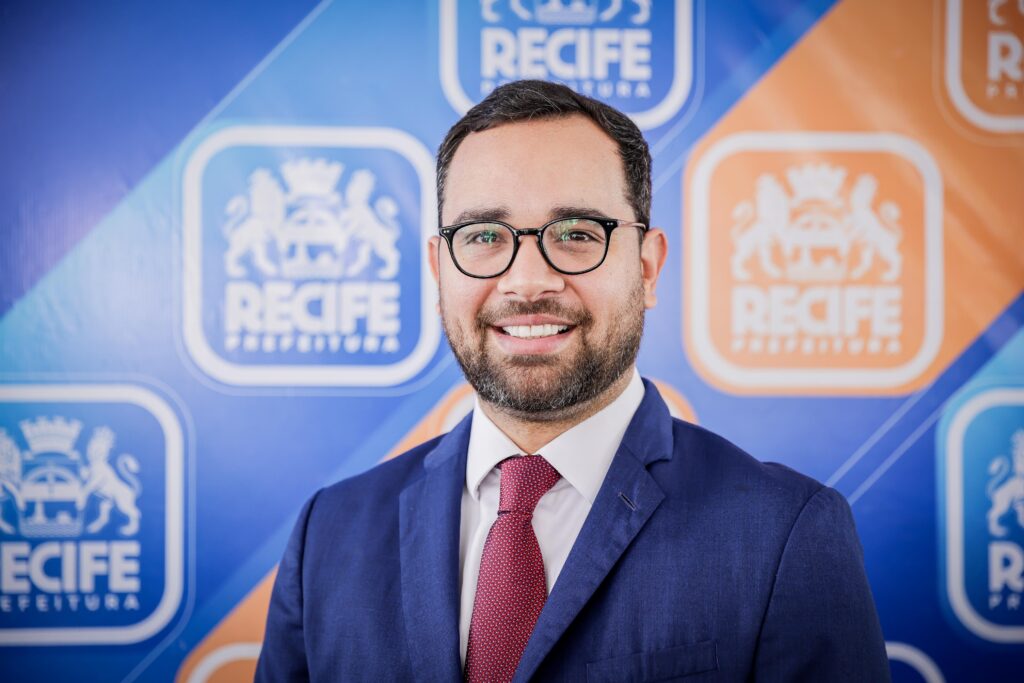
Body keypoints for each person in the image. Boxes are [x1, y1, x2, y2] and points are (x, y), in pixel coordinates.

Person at [256, 80, 890, 682]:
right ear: (439, 267)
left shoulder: (785, 535)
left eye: (578, 234)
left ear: (647, 268)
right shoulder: (328, 535)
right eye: (484, 236)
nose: (528, 281)